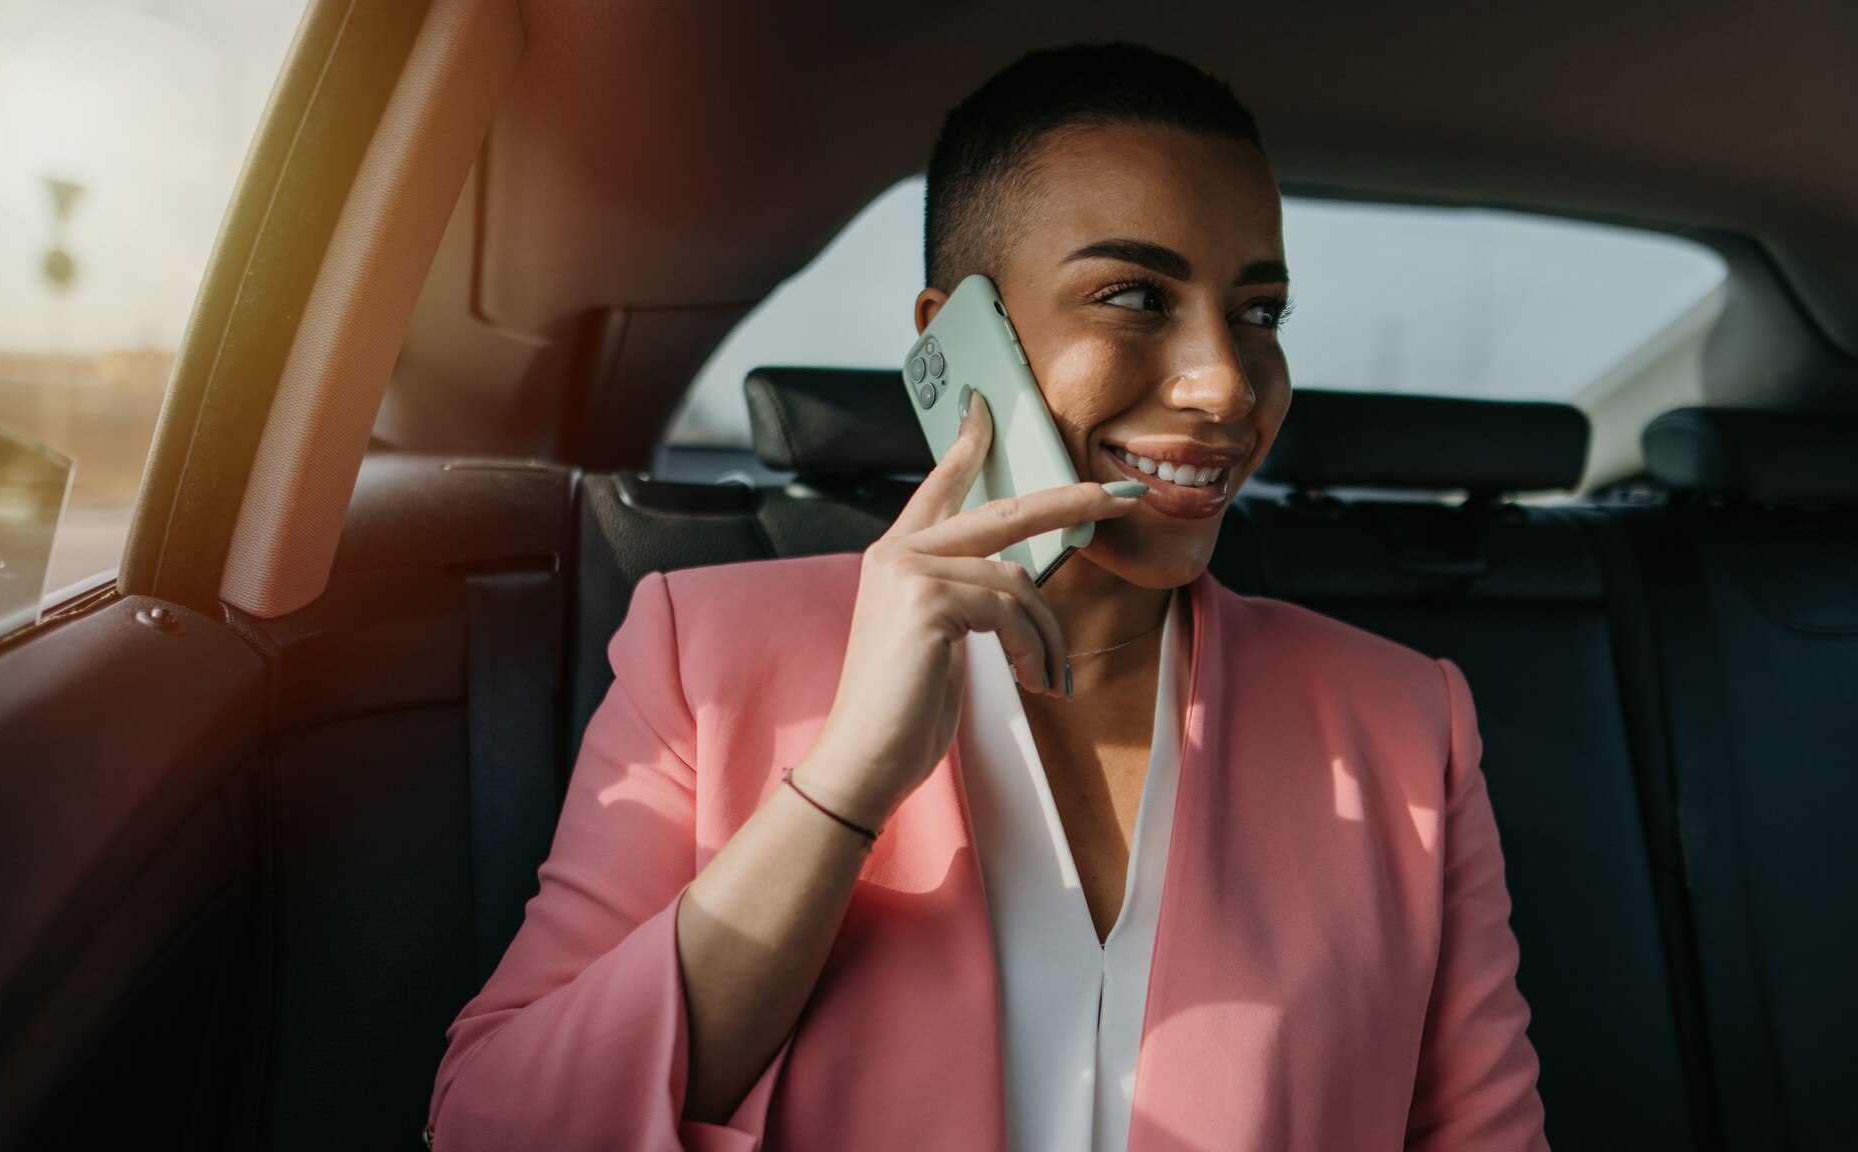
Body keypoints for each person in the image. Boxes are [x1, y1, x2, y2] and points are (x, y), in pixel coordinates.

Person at [427, 43, 1547, 1152]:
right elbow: (496, 1126)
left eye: (1257, 313)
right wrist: (843, 787)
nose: (1224, 383)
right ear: (954, 341)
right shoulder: (706, 654)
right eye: (1131, 297)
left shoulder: (1404, 725)